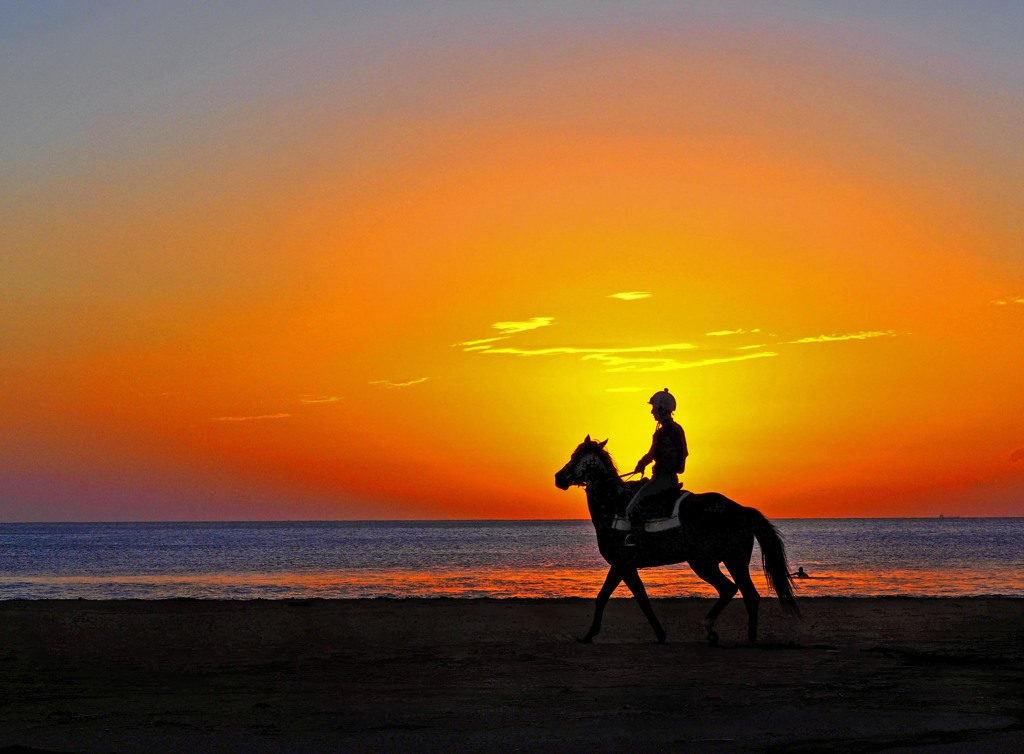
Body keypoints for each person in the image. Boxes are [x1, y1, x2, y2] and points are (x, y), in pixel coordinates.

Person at [624, 388, 688, 546]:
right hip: (672, 477)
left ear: (662, 409)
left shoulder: (662, 432)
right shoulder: (678, 428)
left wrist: (640, 464)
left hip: (662, 479)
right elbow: (684, 454)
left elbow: (651, 454)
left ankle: (636, 539)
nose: (652, 412)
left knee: (633, 505)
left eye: (653, 408)